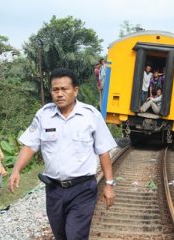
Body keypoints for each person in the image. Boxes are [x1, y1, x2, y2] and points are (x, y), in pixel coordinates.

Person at [8, 68, 117, 240]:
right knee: (61, 236)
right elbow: (30, 145)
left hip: (82, 189)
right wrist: (16, 170)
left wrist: (109, 184)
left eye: (64, 89)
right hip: (54, 190)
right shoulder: (44, 115)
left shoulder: (90, 115)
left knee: (75, 236)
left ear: (75, 91)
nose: (59, 94)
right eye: (55, 89)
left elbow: (103, 151)